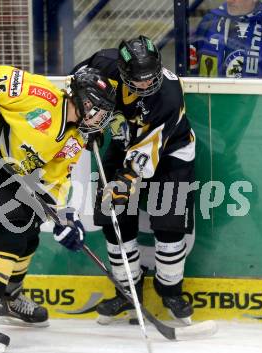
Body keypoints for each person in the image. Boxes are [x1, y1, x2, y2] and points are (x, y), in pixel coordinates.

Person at [0, 65, 116, 353]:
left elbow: (54, 182)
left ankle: (8, 298)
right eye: (100, 110)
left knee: (30, 232)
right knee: (9, 232)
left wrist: (66, 218)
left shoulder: (75, 138)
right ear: (84, 101)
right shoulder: (41, 95)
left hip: (10, 173)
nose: (102, 118)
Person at [72, 36, 196, 325]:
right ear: (122, 69)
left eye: (149, 78)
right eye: (137, 80)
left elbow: (149, 150)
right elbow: (76, 85)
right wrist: (87, 121)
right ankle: (128, 294)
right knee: (114, 221)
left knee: (169, 221)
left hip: (170, 152)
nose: (144, 85)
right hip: (122, 144)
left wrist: (124, 182)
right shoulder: (104, 63)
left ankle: (171, 293)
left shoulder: (169, 94)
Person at [190, 0, 262, 78]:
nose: (229, 1)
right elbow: (192, 73)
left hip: (261, 96)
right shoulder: (209, 21)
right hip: (211, 96)